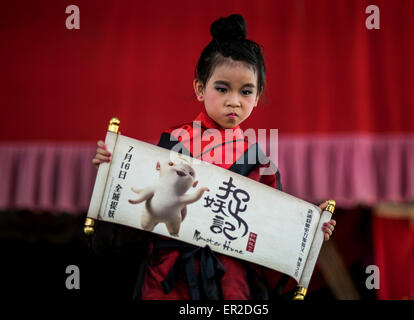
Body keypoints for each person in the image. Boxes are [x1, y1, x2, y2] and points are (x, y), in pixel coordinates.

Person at [91, 14, 336, 300]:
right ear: (199, 88)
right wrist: (113, 167)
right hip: (167, 277)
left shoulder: (258, 163)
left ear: (257, 97)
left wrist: (308, 229)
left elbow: (271, 235)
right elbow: (137, 206)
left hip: (228, 282)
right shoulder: (174, 141)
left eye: (246, 91)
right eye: (222, 89)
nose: (234, 101)